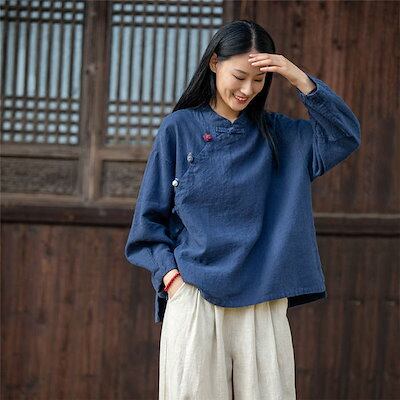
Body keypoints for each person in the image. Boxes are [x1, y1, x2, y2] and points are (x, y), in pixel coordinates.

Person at [124, 19, 361, 400]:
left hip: (263, 295)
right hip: (194, 293)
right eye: (239, 76)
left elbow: (344, 136)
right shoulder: (178, 129)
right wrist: (171, 278)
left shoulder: (283, 136)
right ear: (214, 63)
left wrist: (299, 78)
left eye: (259, 80)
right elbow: (148, 222)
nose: (248, 89)